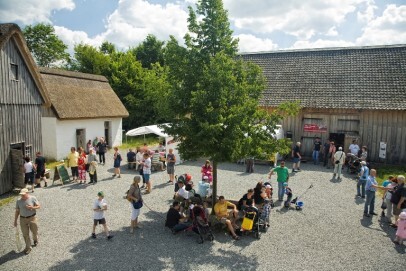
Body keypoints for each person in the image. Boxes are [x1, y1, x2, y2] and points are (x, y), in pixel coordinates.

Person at [14, 188, 40, 255]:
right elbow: (17, 211)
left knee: (35, 231)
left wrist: (32, 207)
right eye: (21, 195)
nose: (22, 196)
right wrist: (15, 220)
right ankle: (28, 247)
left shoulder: (33, 198)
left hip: (32, 218)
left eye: (23, 194)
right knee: (25, 234)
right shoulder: (18, 201)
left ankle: (35, 240)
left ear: (27, 193)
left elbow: (39, 206)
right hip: (23, 219)